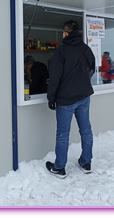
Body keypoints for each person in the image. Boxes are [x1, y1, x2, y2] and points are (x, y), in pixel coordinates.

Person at [45, 19, 95, 178]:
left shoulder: (61, 51)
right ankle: (86, 162)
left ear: (65, 33)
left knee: (62, 135)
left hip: (66, 100)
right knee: (86, 131)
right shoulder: (85, 49)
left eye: (63, 32)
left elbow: (54, 77)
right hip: (84, 97)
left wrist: (51, 96)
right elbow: (92, 68)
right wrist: (81, 81)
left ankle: (59, 167)